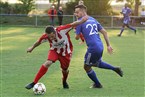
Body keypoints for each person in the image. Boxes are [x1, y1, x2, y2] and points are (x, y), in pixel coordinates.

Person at [25, 16, 88, 90]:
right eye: (49, 37)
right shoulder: (46, 36)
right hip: (54, 51)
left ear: (54, 32)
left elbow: (73, 24)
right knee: (48, 63)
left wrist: (82, 21)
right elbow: (38, 42)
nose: (51, 38)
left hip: (66, 53)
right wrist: (32, 48)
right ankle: (34, 82)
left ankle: (64, 81)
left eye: (52, 36)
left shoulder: (62, 30)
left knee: (65, 70)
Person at [74, 5, 123, 88]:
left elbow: (76, 37)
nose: (76, 14)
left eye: (77, 12)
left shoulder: (80, 21)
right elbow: (104, 32)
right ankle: (115, 69)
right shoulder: (93, 19)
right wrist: (108, 45)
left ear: (83, 12)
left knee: (86, 67)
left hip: (92, 48)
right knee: (97, 63)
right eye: (75, 12)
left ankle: (97, 84)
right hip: (100, 46)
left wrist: (76, 27)